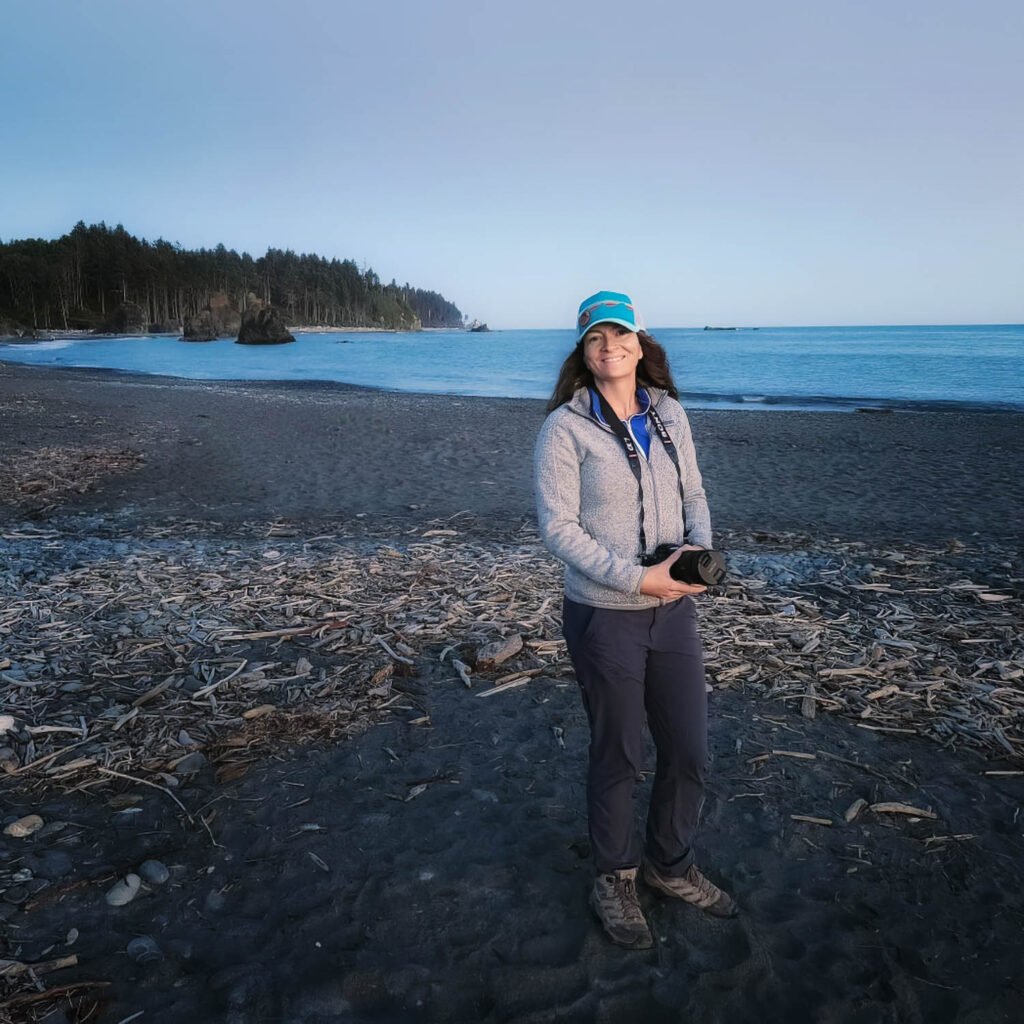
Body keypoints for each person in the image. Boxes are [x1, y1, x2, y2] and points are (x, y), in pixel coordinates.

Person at [533, 290, 737, 950]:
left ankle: (669, 865)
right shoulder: (564, 431)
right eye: (596, 338)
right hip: (604, 615)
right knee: (618, 752)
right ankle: (614, 878)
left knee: (689, 750)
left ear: (642, 345)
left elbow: (695, 494)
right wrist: (636, 576)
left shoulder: (671, 414)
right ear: (584, 354)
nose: (609, 346)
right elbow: (559, 529)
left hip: (673, 613)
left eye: (620, 334)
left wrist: (694, 560)